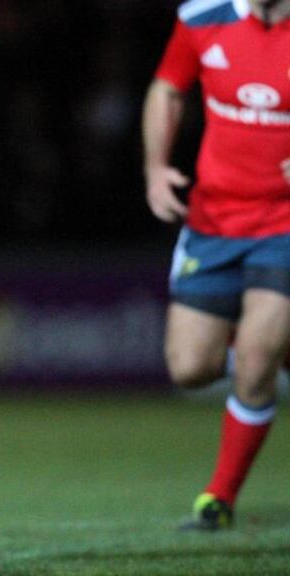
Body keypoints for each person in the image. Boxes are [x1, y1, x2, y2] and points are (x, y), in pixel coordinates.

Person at [142, 0, 290, 530]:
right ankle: (272, 348)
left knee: (253, 360)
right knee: (190, 367)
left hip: (284, 225)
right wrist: (157, 170)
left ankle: (218, 500)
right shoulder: (202, 17)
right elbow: (166, 87)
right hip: (213, 220)